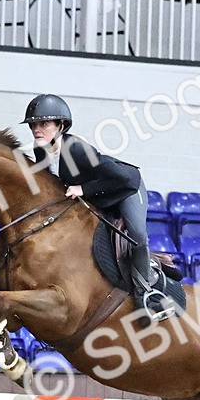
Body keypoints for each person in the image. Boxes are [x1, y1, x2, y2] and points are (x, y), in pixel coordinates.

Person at [22, 93, 175, 323]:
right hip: (99, 195)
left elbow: (121, 178)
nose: (36, 129)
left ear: (61, 125)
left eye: (44, 124)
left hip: (126, 188)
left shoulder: (75, 148)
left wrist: (83, 188)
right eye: (34, 124)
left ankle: (146, 295)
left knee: (137, 235)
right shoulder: (40, 150)